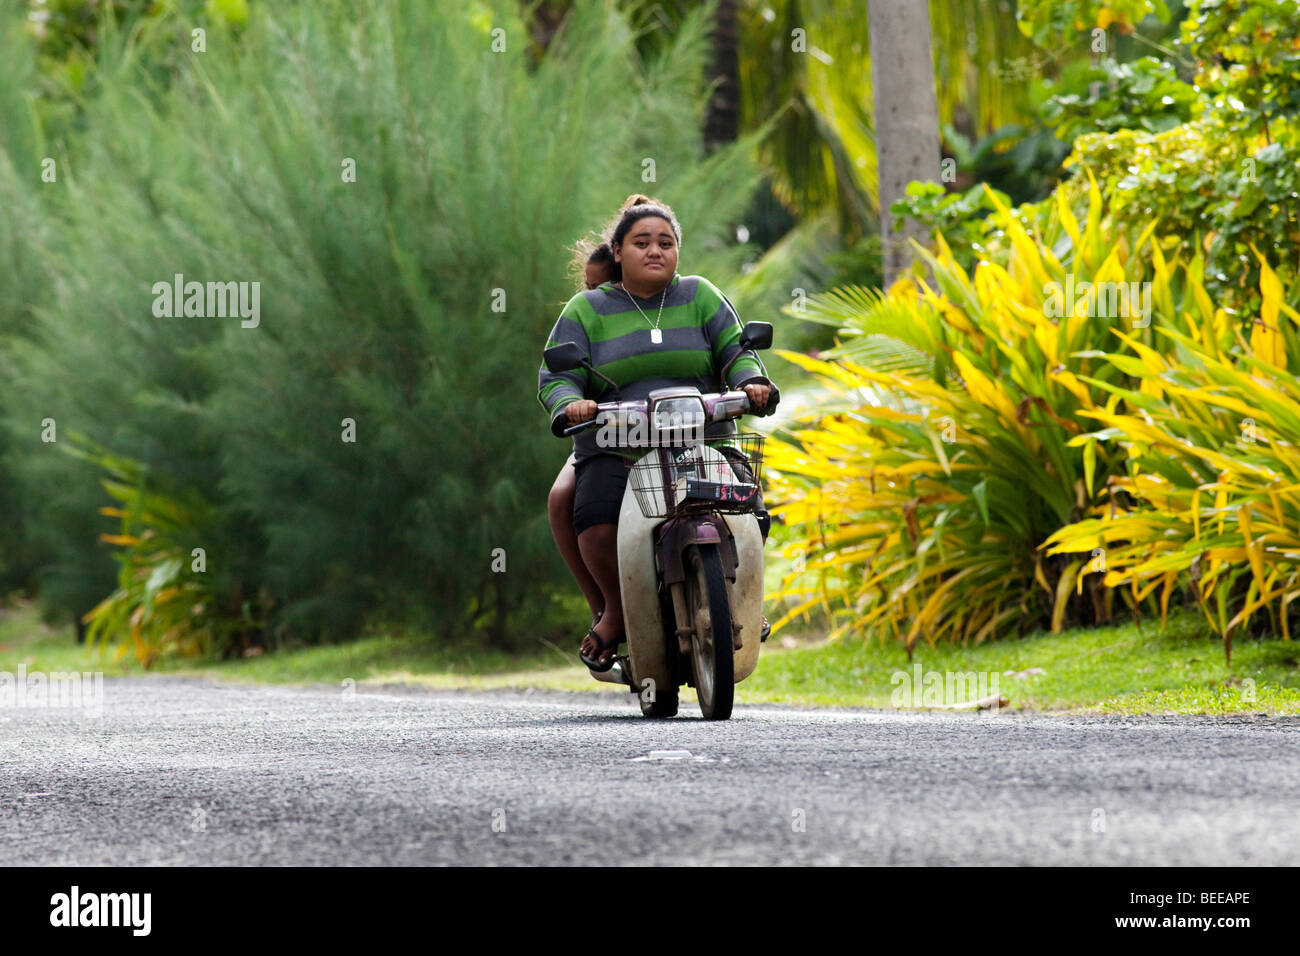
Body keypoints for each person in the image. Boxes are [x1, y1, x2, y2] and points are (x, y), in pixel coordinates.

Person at [538, 198, 780, 671]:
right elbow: (556, 375)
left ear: (678, 251)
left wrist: (752, 383)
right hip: (617, 446)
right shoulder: (586, 309)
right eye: (642, 243)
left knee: (750, 509)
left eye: (666, 243)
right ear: (618, 252)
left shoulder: (701, 296)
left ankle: (736, 595)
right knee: (595, 518)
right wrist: (571, 404)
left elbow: (737, 352)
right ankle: (614, 609)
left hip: (703, 437)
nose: (655, 251)